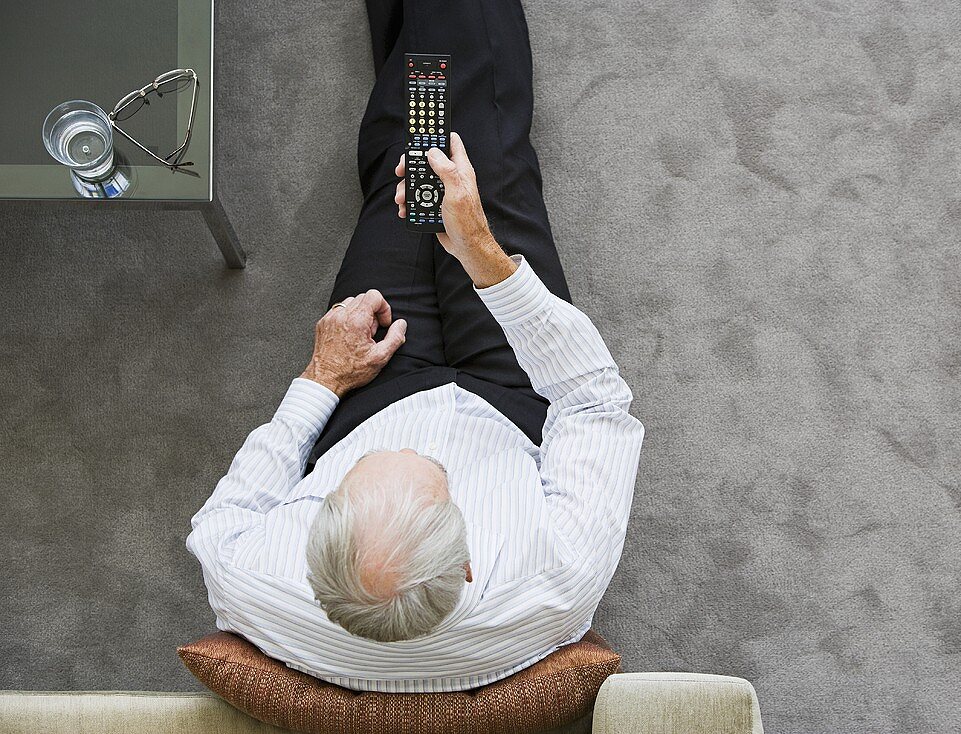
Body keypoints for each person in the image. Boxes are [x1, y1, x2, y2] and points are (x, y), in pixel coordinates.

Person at [186, 0, 644, 693]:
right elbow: (594, 400)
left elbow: (223, 518)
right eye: (433, 474)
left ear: (312, 547)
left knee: (398, 173)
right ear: (466, 564)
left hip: (368, 392)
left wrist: (319, 378)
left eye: (364, 472)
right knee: (484, 154)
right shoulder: (556, 575)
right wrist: (484, 255)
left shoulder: (252, 576)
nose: (414, 447)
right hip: (512, 399)